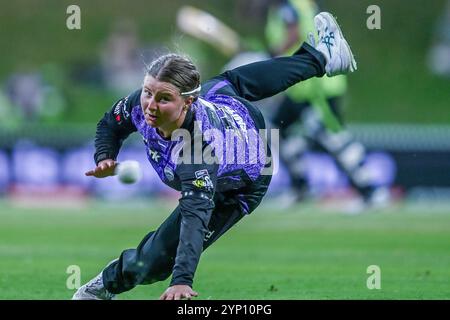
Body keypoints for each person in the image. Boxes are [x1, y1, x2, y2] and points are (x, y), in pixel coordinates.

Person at [72, 11, 356, 300]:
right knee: (234, 80)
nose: (151, 106)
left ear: (187, 102)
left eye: (164, 98)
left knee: (155, 263)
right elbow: (110, 124)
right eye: (148, 93)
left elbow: (195, 217)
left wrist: (181, 280)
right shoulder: (142, 102)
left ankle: (104, 286)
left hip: (246, 178)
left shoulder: (197, 152)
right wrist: (105, 155)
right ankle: (320, 57)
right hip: (224, 101)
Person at [265, 0, 388, 208]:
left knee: (334, 139)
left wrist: (269, 56)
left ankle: (371, 191)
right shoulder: (288, 6)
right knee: (279, 131)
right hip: (299, 89)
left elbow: (292, 34)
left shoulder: (290, 5)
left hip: (318, 88)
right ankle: (300, 188)